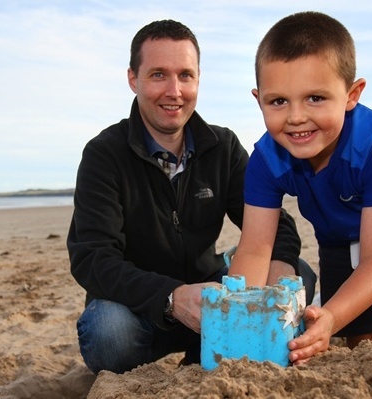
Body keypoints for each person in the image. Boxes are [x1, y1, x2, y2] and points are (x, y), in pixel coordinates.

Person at [67, 19, 313, 374]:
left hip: (211, 299)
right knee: (108, 333)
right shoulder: (104, 154)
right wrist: (171, 297)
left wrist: (277, 272)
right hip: (140, 309)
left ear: (198, 79)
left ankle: (203, 354)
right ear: (132, 79)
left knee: (298, 273)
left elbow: (276, 224)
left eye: (185, 75)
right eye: (158, 75)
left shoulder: (222, 146)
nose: (174, 91)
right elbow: (92, 259)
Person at [227, 11, 372, 366]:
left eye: (315, 98)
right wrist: (239, 313)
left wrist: (330, 316)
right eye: (278, 101)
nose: (296, 117)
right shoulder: (266, 158)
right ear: (259, 99)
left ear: (351, 94)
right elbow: (254, 249)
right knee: (359, 334)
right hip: (337, 232)